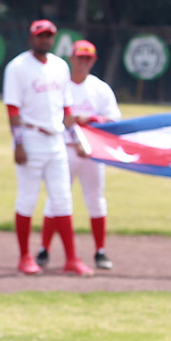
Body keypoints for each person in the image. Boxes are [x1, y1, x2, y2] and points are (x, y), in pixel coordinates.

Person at [2, 19, 91, 276]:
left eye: (49, 36)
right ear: (32, 38)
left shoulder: (60, 66)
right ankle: (24, 257)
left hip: (56, 139)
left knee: (62, 198)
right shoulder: (18, 67)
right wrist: (18, 143)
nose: (45, 40)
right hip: (30, 136)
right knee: (27, 198)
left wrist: (77, 139)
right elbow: (12, 108)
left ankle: (71, 258)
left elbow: (66, 109)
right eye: (40, 36)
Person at [52, 39, 120, 271]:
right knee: (57, 200)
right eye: (80, 57)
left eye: (88, 59)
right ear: (72, 58)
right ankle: (44, 250)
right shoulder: (61, 86)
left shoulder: (100, 88)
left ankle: (100, 251)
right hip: (64, 150)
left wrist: (88, 119)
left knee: (96, 200)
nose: (83, 62)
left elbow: (113, 120)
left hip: (92, 153)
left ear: (93, 61)